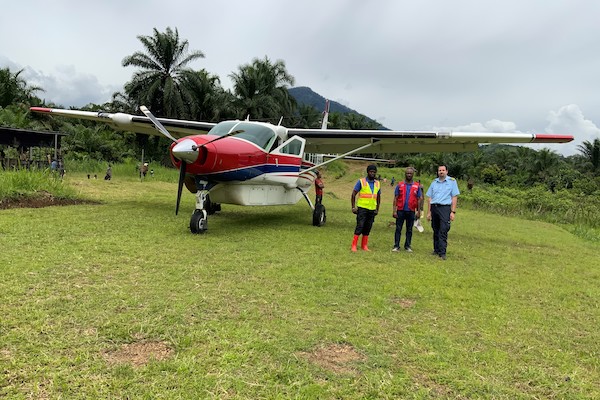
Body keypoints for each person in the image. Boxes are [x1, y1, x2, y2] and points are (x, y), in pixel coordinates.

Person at [426, 165, 460, 260]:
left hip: (445, 208)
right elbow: (429, 198)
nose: (441, 172)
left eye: (443, 170)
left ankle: (442, 252)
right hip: (434, 207)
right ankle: (436, 249)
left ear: (447, 171)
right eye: (439, 170)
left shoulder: (452, 182)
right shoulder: (434, 182)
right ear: (437, 172)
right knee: (435, 228)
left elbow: (454, 197)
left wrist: (453, 212)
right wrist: (429, 212)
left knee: (443, 229)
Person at [350, 164, 381, 252]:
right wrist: (353, 207)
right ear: (368, 172)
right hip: (362, 208)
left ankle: (364, 245)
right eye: (371, 172)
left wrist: (377, 208)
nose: (372, 173)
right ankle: (354, 245)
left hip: (372, 209)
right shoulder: (361, 182)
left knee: (368, 227)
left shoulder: (378, 183)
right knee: (360, 226)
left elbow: (378, 197)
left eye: (374, 172)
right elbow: (353, 194)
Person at [392, 167, 423, 252]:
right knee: (398, 228)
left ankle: (407, 246)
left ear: (413, 175)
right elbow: (395, 198)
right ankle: (396, 245)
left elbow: (419, 199)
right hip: (400, 210)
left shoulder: (417, 186)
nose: (409, 175)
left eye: (410, 173)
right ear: (405, 174)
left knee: (409, 229)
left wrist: (418, 211)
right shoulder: (400, 185)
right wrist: (394, 210)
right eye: (407, 173)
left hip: (411, 211)